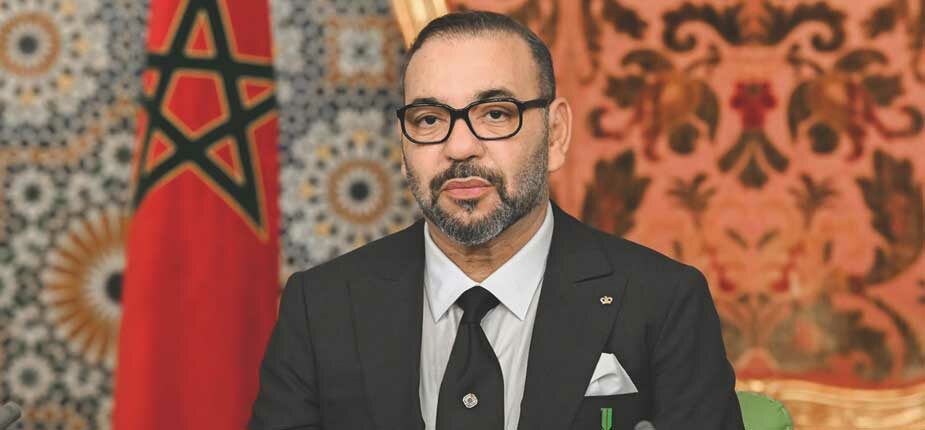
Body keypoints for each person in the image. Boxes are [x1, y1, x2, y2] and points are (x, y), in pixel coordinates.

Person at [249, 10, 743, 430]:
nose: (460, 147)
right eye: (429, 120)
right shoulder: (321, 307)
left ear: (555, 134)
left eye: (495, 114)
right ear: (402, 147)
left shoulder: (662, 302)